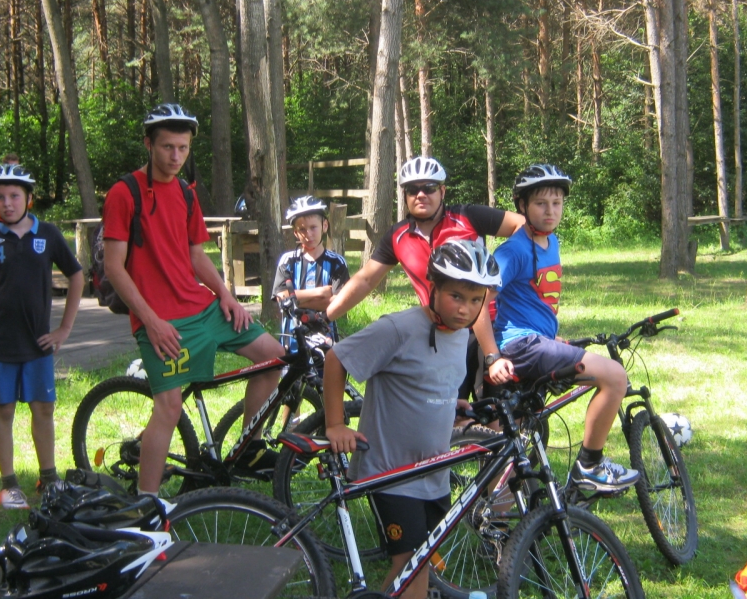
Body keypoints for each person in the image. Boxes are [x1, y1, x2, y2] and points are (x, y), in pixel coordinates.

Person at [102, 104, 284, 494]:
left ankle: (249, 450)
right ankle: (147, 505)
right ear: (149, 144)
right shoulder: (124, 193)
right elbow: (115, 268)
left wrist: (226, 295)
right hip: (160, 320)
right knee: (169, 407)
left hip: (203, 307)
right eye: (167, 147)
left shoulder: (186, 193)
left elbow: (196, 254)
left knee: (274, 358)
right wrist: (151, 322)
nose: (176, 157)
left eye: (183, 148)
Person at [324, 240, 501, 599]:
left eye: (475, 299)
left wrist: (450, 403)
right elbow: (336, 359)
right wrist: (335, 424)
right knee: (411, 565)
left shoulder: (461, 335)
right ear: (433, 287)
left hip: (434, 471)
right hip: (392, 473)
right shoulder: (399, 329)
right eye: (456, 296)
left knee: (420, 562)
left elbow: (432, 378)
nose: (465, 308)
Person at [484, 164, 639, 493]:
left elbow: (531, 299)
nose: (550, 211)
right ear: (522, 206)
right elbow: (478, 304)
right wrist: (492, 357)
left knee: (511, 444)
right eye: (541, 203)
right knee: (615, 376)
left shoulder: (550, 241)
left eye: (557, 203)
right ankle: (590, 465)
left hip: (535, 341)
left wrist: (550, 338)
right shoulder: (512, 251)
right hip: (521, 346)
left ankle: (496, 519)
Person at [324, 156, 524, 398]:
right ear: (405, 196)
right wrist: (326, 316)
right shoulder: (398, 236)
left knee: (496, 410)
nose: (420, 195)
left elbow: (521, 226)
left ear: (442, 191)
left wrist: (498, 272)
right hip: (442, 333)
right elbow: (365, 280)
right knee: (449, 408)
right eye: (412, 189)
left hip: (489, 325)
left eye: (429, 187)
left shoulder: (468, 217)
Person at [0, 163, 84, 509]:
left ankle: (49, 478)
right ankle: (8, 485)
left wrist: (64, 329)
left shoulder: (47, 234)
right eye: (0, 197)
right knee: (2, 410)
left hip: (37, 343)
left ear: (29, 198)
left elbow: (77, 276)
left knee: (43, 408)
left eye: (14, 196)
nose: (7, 203)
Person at [272, 195, 349, 353]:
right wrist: (321, 293)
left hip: (326, 339)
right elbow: (281, 298)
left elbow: (339, 302)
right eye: (302, 229)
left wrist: (294, 300)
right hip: (291, 341)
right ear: (295, 233)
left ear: (324, 226)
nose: (308, 234)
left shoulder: (337, 263)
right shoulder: (288, 261)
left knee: (327, 369)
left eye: (313, 227)